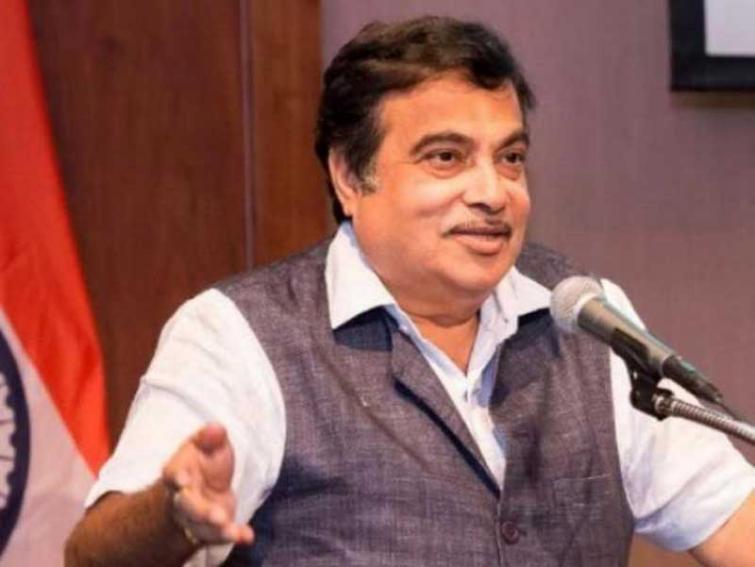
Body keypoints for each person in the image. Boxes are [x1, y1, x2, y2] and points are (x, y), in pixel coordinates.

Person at [65, 16, 754, 566]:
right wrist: (174, 512)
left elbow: (734, 521)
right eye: (446, 157)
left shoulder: (586, 318)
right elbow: (93, 555)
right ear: (348, 175)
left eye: (510, 158)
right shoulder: (240, 335)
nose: (492, 192)